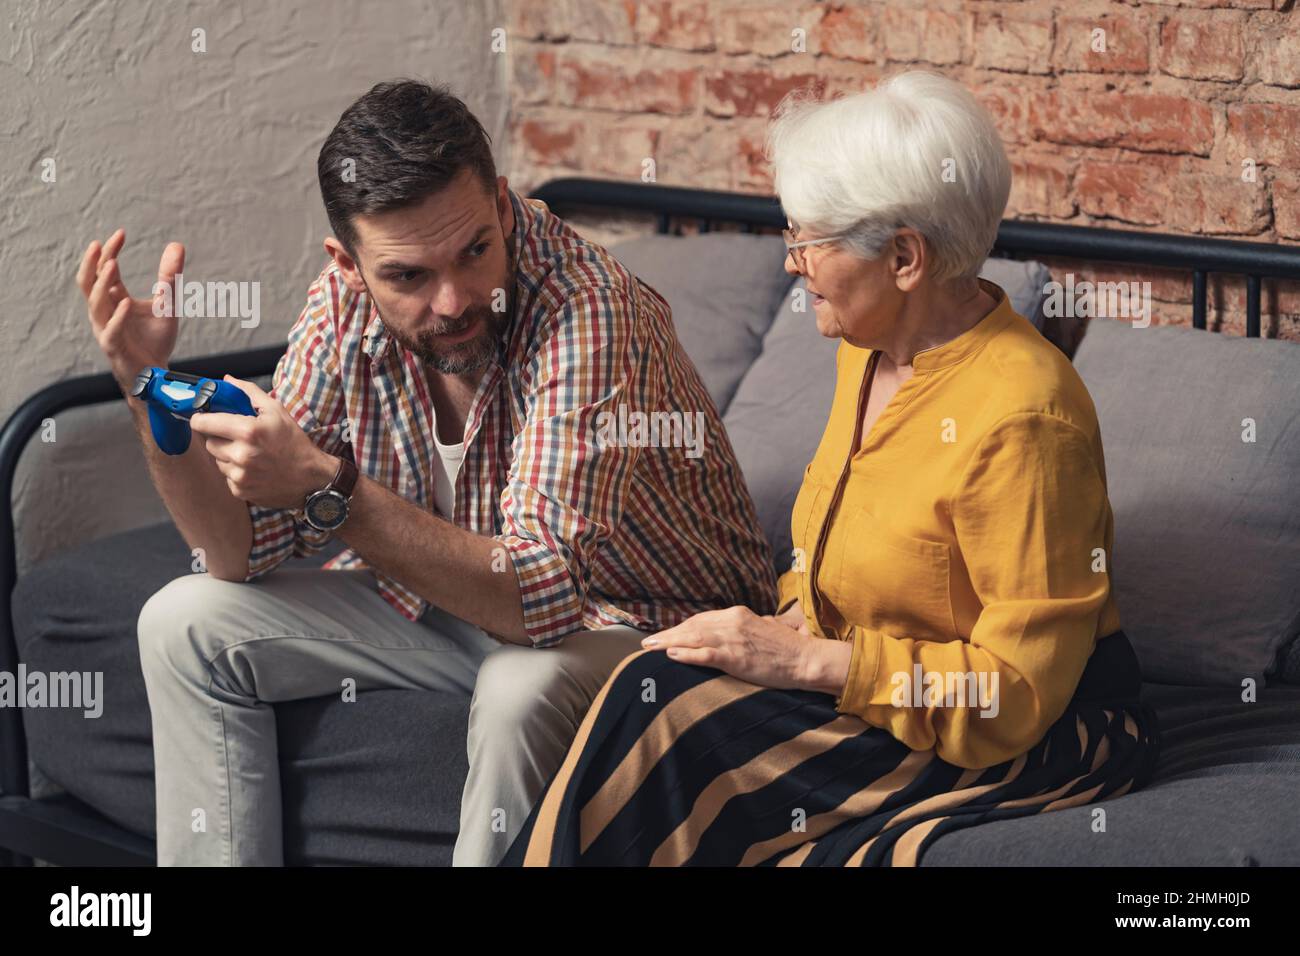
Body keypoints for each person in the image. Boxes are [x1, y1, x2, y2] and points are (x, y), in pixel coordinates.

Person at [75, 80, 777, 867]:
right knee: (182, 620)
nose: (453, 302)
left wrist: (326, 488)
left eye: (475, 251)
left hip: (645, 629)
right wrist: (148, 389)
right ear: (348, 264)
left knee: (520, 689)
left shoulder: (590, 310)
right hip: (460, 607)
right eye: (408, 276)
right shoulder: (341, 308)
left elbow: (537, 596)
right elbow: (234, 553)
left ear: (505, 208)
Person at [502, 70, 1161, 867]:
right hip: (873, 690)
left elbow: (1012, 696)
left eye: (808, 241)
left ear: (905, 258)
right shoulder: (870, 351)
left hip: (1031, 732)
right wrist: (784, 631)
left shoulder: (1024, 418)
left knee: (676, 727)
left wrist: (804, 662)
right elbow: (832, 572)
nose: (792, 264)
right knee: (651, 686)